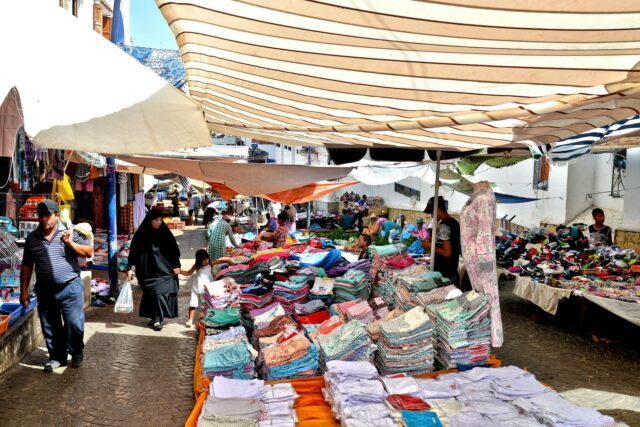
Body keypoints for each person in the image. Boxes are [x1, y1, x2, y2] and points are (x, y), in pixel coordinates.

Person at [20, 200, 93, 371]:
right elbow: (26, 266)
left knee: (74, 323)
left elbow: (88, 252)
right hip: (45, 291)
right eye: (40, 215)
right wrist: (23, 291)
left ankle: (76, 351)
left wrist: (70, 243)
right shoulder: (32, 239)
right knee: (50, 326)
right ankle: (57, 357)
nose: (44, 219)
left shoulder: (70, 231)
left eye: (48, 215)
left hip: (70, 287)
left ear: (57, 215)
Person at [126, 209, 181, 331]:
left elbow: (174, 252)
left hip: (165, 271)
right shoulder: (141, 234)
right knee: (151, 295)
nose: (159, 222)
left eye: (161, 220)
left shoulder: (165, 233)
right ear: (150, 220)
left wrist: (177, 266)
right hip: (147, 272)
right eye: (156, 220)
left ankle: (157, 319)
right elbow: (134, 252)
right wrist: (129, 268)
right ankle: (154, 316)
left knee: (159, 293)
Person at [421, 196, 461, 285]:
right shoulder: (453, 222)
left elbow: (447, 253)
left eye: (432, 212)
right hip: (451, 272)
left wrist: (429, 246)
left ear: (437, 209)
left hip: (445, 274)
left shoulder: (445, 225)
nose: (431, 216)